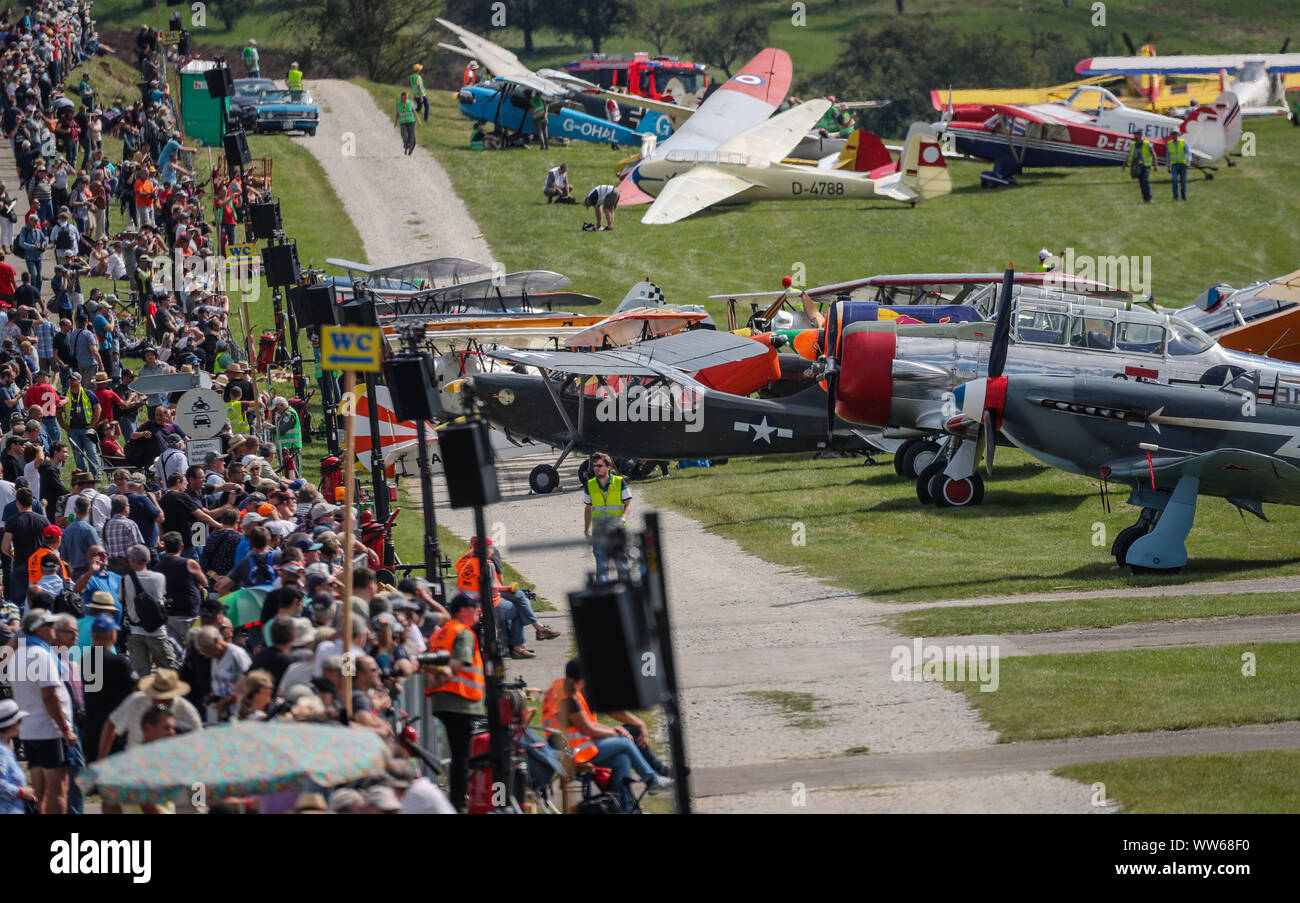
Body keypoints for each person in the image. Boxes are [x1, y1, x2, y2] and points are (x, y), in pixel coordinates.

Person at [545, 658, 672, 811]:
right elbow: (588, 730)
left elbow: (588, 724)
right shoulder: (567, 699)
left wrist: (615, 730)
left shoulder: (564, 690)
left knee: (622, 759)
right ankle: (651, 780)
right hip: (572, 753)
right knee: (625, 742)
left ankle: (626, 808)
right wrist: (614, 732)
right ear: (578, 679)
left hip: (576, 749)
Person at [11, 610, 77, 813]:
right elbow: (49, 696)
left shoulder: (18, 654)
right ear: (39, 629)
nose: (54, 628)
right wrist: (65, 728)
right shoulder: (41, 654)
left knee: (41, 792)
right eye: (49, 624)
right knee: (59, 790)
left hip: (30, 731)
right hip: (49, 730)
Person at [424, 594, 485, 812]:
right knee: (462, 756)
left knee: (457, 753)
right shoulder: (464, 633)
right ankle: (459, 804)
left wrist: (438, 677)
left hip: (442, 700)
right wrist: (446, 674)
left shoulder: (441, 633)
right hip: (462, 701)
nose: (479, 611)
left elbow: (432, 666)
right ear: (463, 610)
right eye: (475, 608)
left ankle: (458, 800)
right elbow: (457, 664)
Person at [122, 543, 176, 675]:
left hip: (136, 631)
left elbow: (121, 601)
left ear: (133, 561)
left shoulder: (126, 579)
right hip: (157, 631)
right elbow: (161, 598)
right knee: (167, 671)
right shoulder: (159, 578)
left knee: (141, 674)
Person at [583, 452, 631, 580]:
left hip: (617, 531)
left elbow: (628, 504)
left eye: (599, 465)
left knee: (623, 567)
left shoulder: (620, 482)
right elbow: (588, 508)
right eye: (594, 466)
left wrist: (623, 518)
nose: (596, 468)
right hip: (599, 532)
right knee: (602, 569)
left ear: (608, 467)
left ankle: (626, 596)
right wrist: (586, 528)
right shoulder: (590, 485)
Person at [60, 371, 102, 479]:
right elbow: (58, 411)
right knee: (78, 456)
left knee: (91, 453)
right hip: (72, 430)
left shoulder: (88, 393)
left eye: (74, 379)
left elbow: (98, 408)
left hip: (87, 429)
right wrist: (64, 426)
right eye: (70, 379)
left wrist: (93, 424)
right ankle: (83, 477)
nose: (71, 381)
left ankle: (96, 477)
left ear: (79, 381)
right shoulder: (65, 395)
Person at [0, 698, 38, 814]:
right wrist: (22, 792)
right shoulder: (1, 753)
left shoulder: (7, 750)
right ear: (13, 725)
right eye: (20, 721)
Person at [271, 396, 301, 478]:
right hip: (287, 447)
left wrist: (271, 428)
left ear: (281, 405)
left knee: (293, 472)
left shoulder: (288, 414)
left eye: (276, 408)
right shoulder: (286, 414)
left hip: (291, 447)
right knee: (288, 472)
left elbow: (282, 430)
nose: (276, 411)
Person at [1125, 134, 1156, 203]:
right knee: (1141, 183)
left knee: (1145, 180)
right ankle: (1145, 199)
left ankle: (1149, 198)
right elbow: (1129, 154)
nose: (1135, 137)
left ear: (1140, 136)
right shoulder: (1133, 145)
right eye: (1135, 135)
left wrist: (1155, 165)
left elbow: (1153, 154)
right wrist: (1124, 164)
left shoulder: (1147, 144)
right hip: (1137, 166)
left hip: (1146, 165)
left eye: (1137, 135)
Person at [1167, 130, 1188, 201]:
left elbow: (1188, 153)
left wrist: (1188, 161)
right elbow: (1168, 156)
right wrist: (1168, 166)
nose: (1174, 135)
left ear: (1178, 134)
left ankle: (1184, 197)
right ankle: (1175, 197)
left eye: (1176, 134)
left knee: (1183, 182)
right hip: (1174, 165)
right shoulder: (1169, 144)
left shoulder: (1183, 142)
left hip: (1183, 165)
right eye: (1173, 134)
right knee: (1174, 180)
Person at [395, 91, 417, 156]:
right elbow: (397, 114)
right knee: (405, 135)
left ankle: (410, 150)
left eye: (406, 98)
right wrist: (395, 122)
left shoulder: (411, 103)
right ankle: (406, 146)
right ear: (401, 98)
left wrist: (418, 120)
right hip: (403, 123)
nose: (405, 99)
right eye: (403, 98)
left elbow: (415, 112)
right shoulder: (398, 104)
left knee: (412, 139)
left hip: (411, 122)